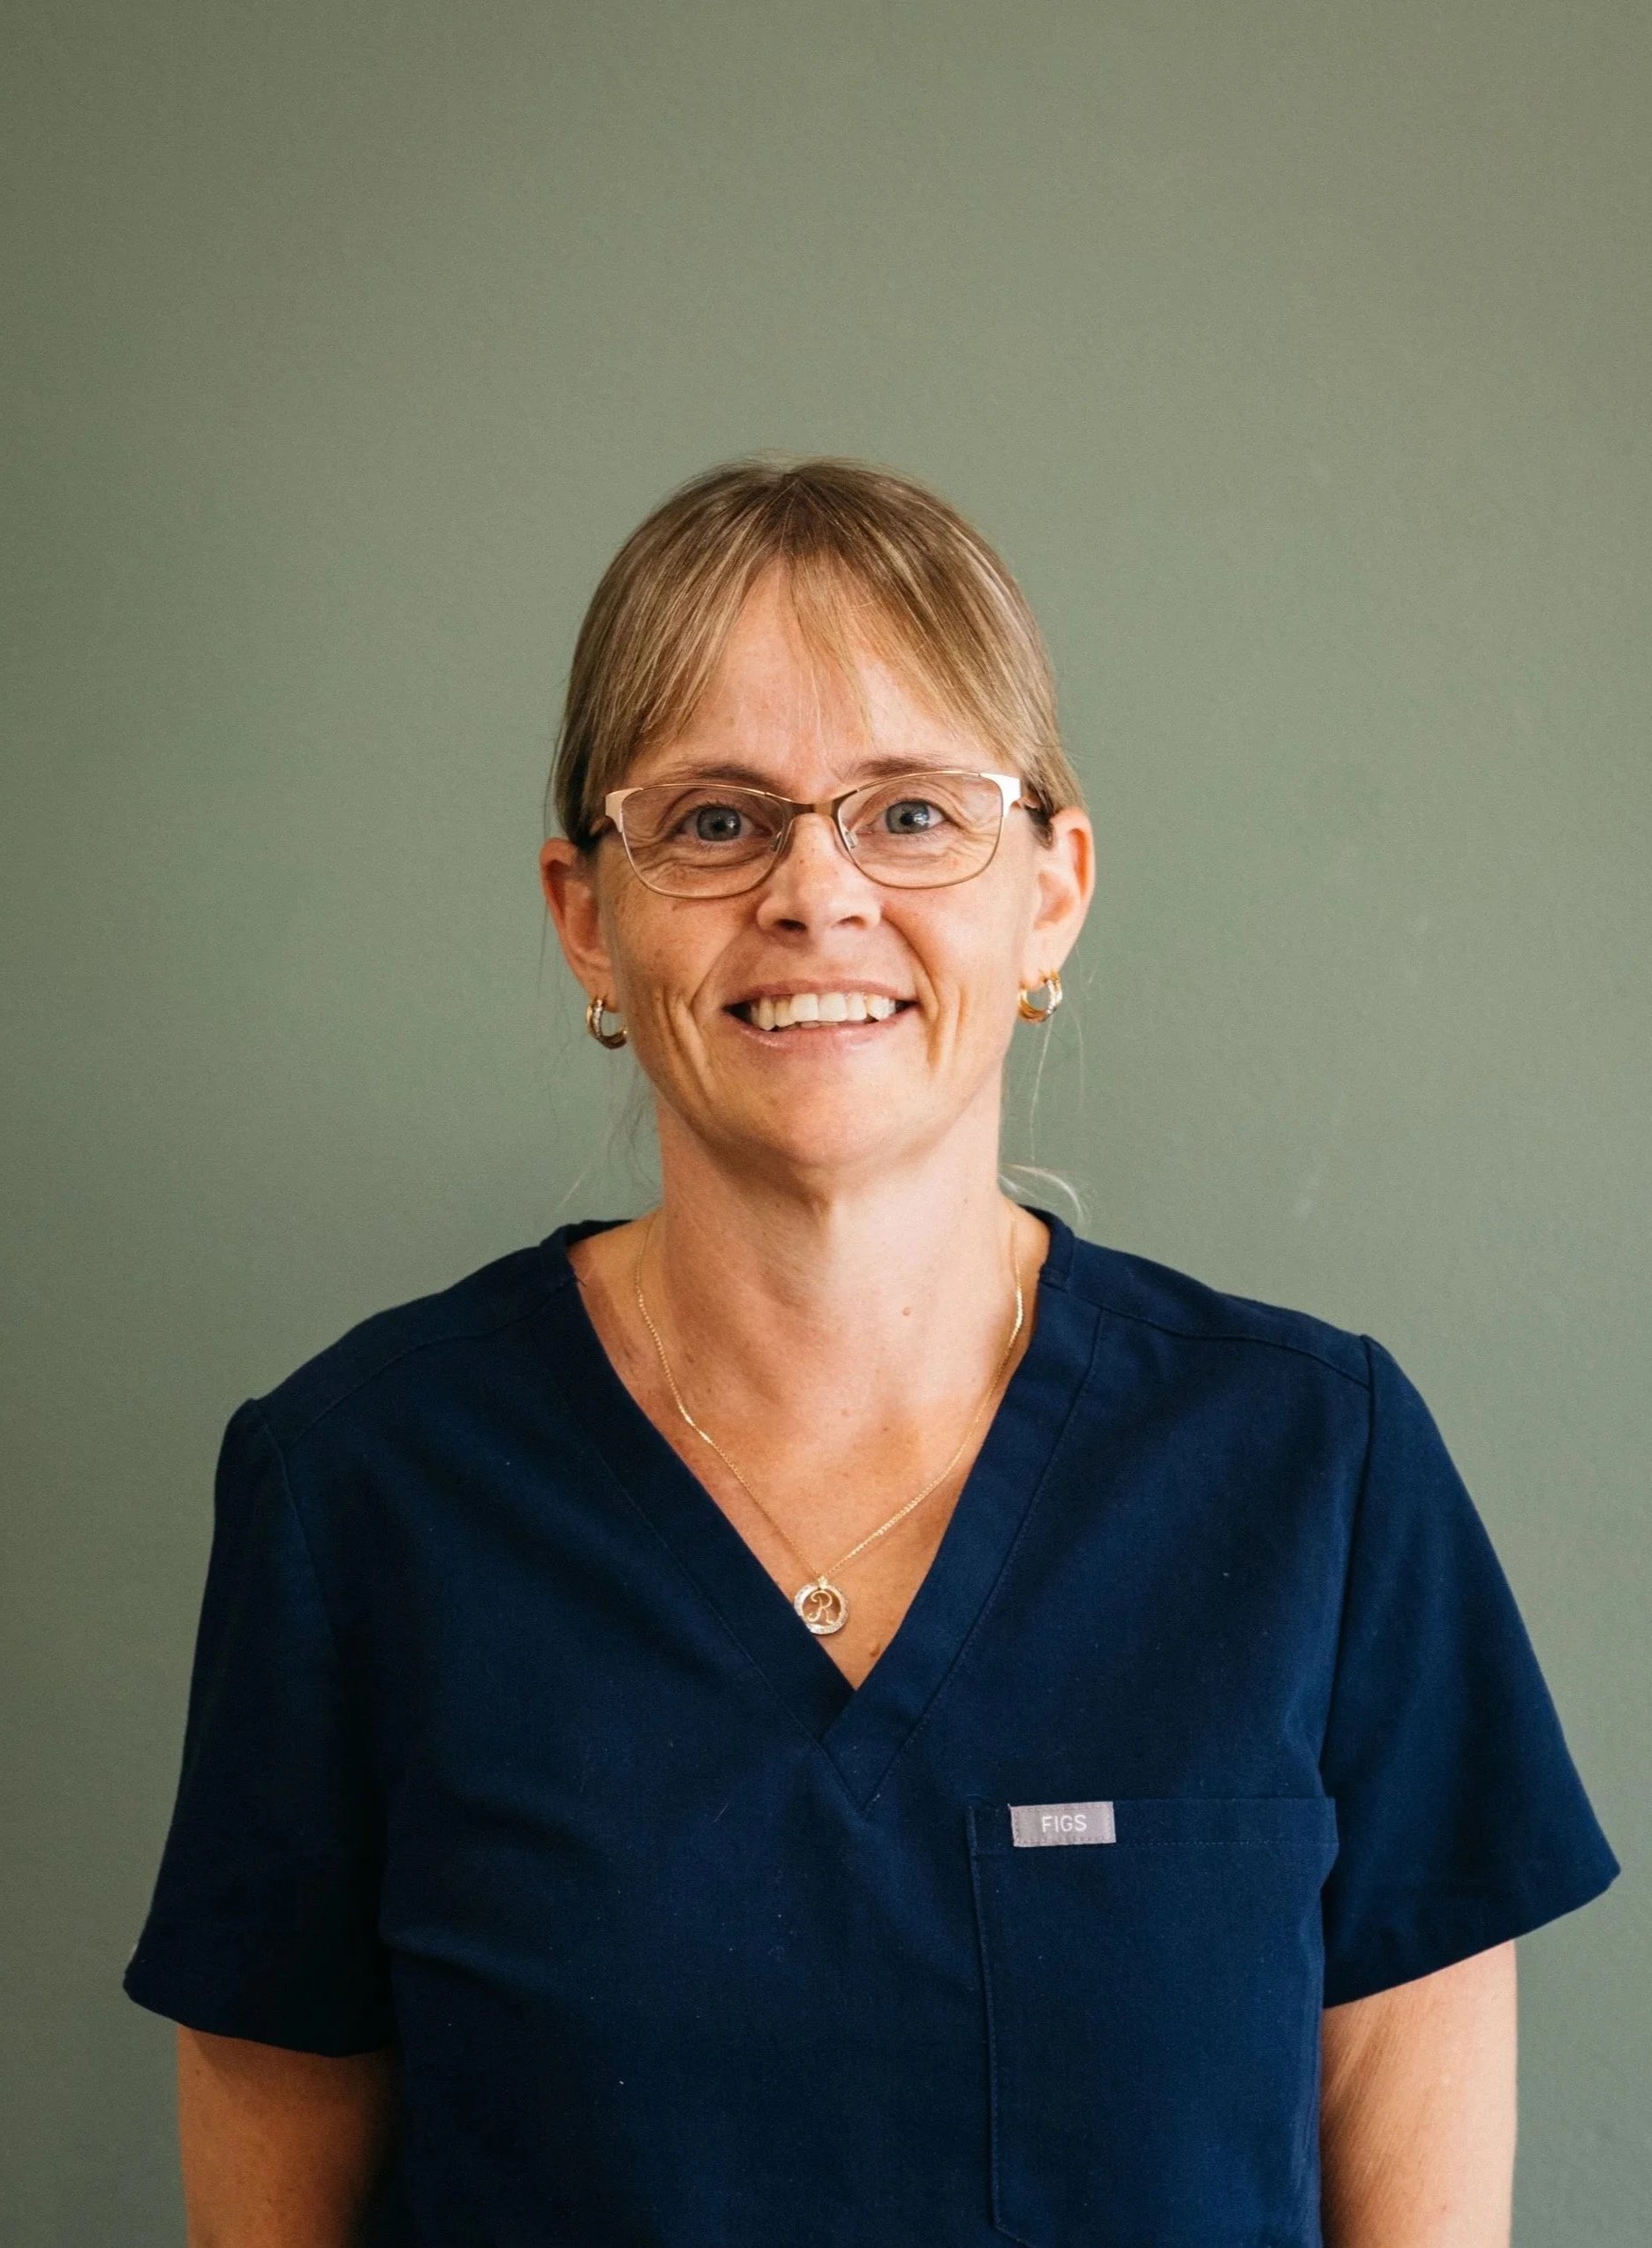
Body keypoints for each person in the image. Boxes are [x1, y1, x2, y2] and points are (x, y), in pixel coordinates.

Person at [124, 457, 1619, 2248]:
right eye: (713, 819)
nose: (815, 894)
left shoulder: (1320, 1472)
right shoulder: (357, 1490)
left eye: (912, 815)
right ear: (586, 913)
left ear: (1051, 893)